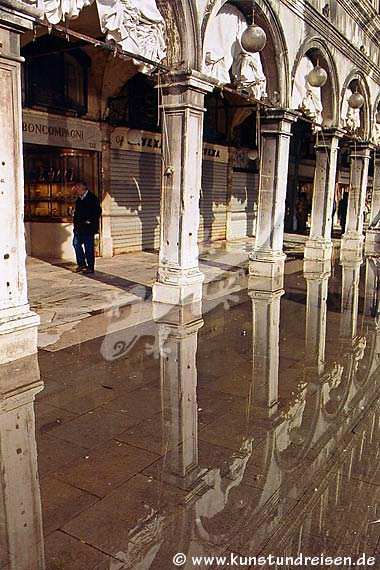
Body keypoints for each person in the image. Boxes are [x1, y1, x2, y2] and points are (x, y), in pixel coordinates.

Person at [72, 181, 102, 274]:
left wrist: (90, 221)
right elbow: (76, 214)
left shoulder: (93, 198)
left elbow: (97, 212)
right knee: (76, 244)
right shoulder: (79, 200)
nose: (76, 190)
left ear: (82, 188)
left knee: (88, 248)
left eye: (77, 188)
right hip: (79, 228)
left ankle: (90, 267)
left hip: (88, 228)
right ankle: (81, 264)